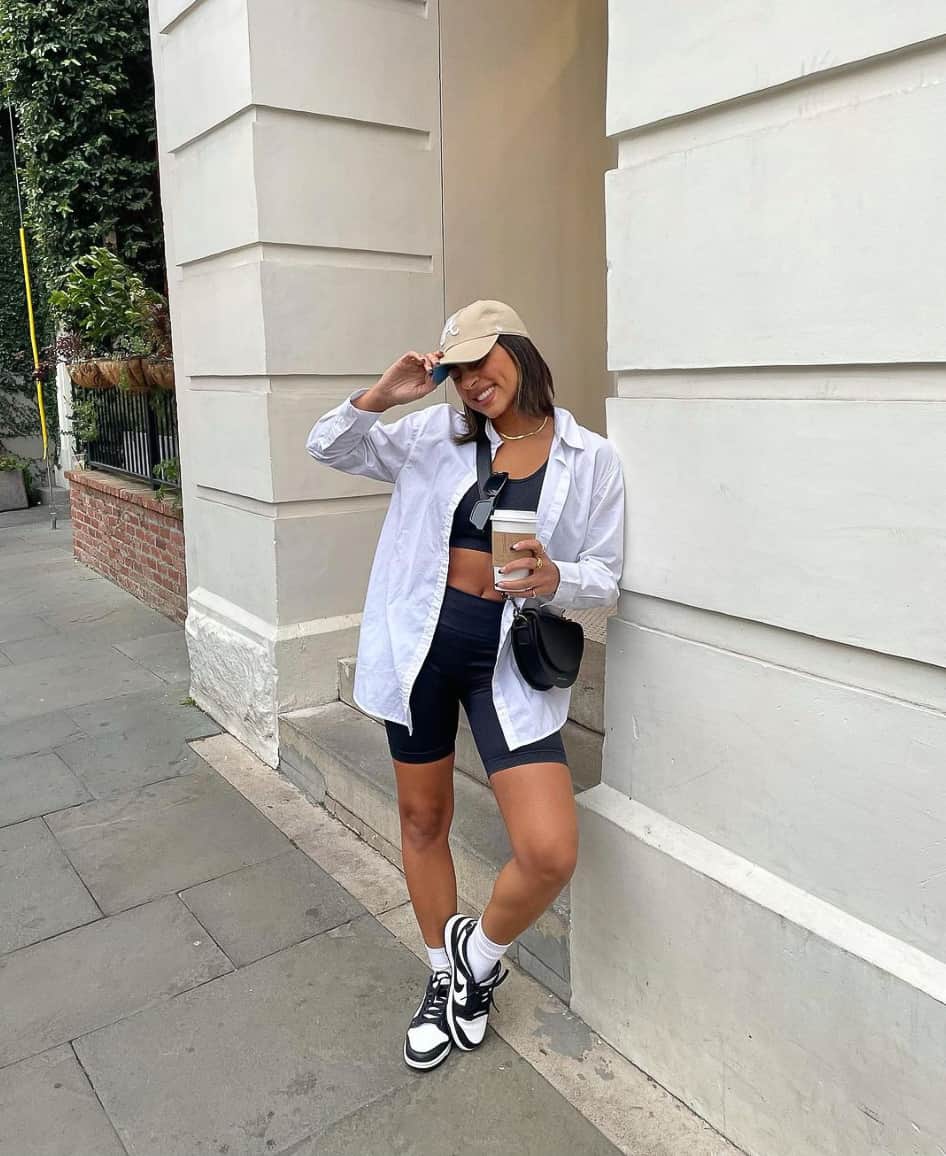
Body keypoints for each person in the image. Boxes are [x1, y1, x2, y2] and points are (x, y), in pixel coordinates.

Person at [306, 300, 624, 1071]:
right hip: (419, 653)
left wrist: (557, 578)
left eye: (485, 360)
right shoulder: (429, 436)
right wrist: (385, 395)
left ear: (519, 348)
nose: (474, 381)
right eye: (459, 371)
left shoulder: (590, 458)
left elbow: (607, 581)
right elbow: (328, 446)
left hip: (505, 665)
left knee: (548, 850)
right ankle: (440, 974)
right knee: (422, 820)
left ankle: (478, 957)